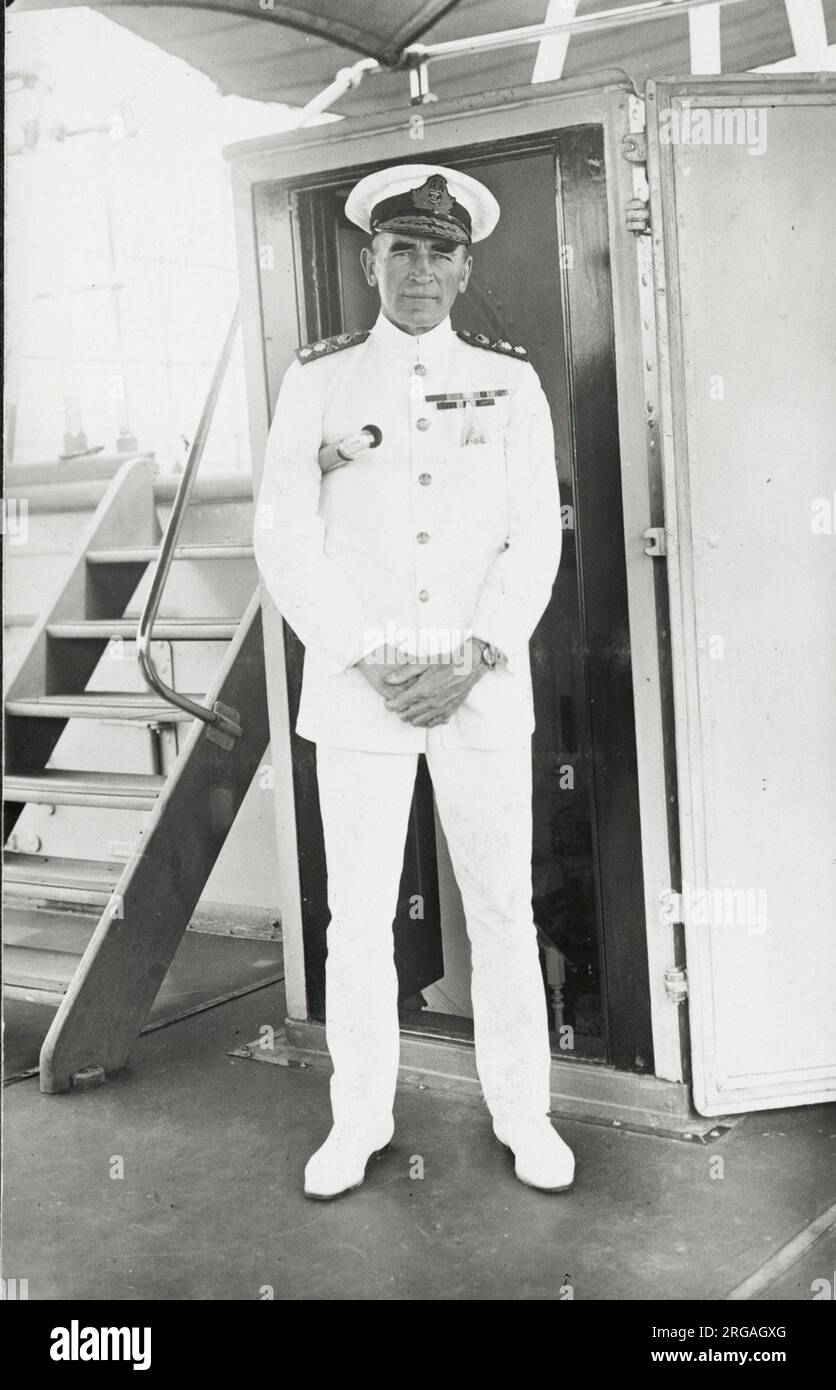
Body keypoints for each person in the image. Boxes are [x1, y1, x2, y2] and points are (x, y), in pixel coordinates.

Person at [254, 163, 574, 1199]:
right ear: (369, 260)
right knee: (355, 914)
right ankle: (358, 1121)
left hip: (477, 682)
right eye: (403, 250)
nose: (421, 270)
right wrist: (373, 654)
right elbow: (284, 538)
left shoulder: (509, 381)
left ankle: (522, 1113)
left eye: (440, 251)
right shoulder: (317, 382)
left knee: (499, 909)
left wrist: (475, 653)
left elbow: (533, 538)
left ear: (463, 263)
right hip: (362, 686)